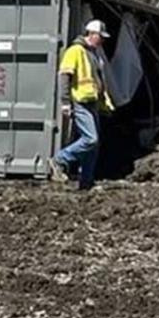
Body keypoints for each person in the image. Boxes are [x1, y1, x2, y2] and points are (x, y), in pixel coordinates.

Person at [50, 19, 114, 190]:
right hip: (80, 102)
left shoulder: (93, 53)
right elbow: (64, 76)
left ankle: (86, 182)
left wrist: (104, 104)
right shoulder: (75, 51)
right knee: (90, 139)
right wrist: (65, 103)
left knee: (94, 146)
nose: (102, 40)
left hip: (92, 102)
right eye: (100, 36)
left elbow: (97, 80)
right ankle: (60, 159)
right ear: (91, 34)